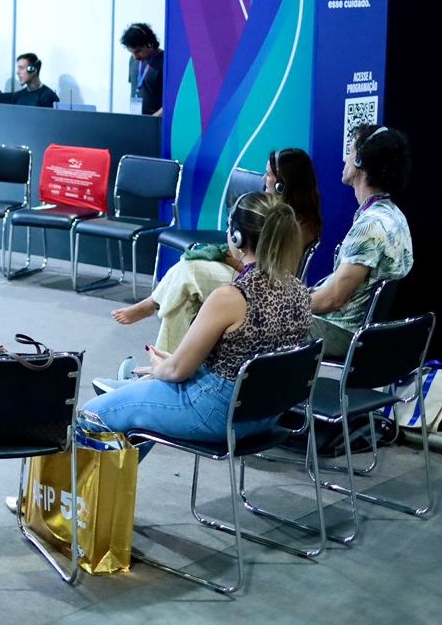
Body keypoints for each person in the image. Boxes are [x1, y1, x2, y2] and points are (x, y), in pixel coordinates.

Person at [81, 192, 312, 455]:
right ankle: (134, 394)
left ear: (236, 237)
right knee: (140, 400)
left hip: (217, 412)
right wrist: (170, 367)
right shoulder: (300, 292)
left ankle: (81, 494)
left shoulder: (231, 297)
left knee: (91, 415)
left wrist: (163, 368)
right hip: (266, 415)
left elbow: (179, 371)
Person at [113, 146, 321, 352]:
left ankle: (163, 354)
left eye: (269, 175)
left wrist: (226, 258)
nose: (264, 179)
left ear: (283, 184)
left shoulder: (297, 224)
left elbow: (265, 268)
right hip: (250, 278)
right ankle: (167, 356)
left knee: (189, 272)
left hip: (260, 289)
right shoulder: (278, 213)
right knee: (186, 283)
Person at [309, 125, 413, 357]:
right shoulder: (395, 216)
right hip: (356, 332)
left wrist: (287, 307)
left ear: (361, 162)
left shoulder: (370, 227)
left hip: (341, 332)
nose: (345, 158)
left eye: (350, 151)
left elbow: (333, 299)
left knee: (250, 323)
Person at [121, 23, 163, 116]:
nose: (135, 57)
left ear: (150, 44)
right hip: (137, 121)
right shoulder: (132, 60)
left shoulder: (165, 61)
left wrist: (154, 118)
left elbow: (172, 100)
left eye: (138, 51)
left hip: (156, 123)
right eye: (132, 52)